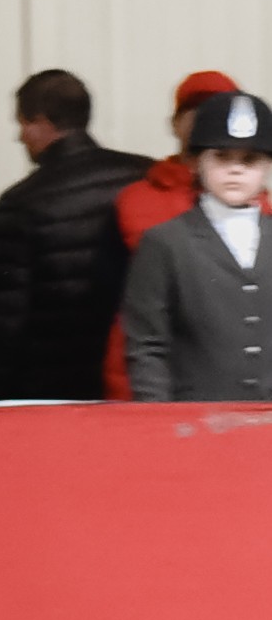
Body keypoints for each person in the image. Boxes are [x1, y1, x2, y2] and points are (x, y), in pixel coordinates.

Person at [0, 69, 151, 399]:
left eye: (21, 123)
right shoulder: (145, 176)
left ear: (41, 122)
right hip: (136, 376)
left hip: (54, 386)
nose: (18, 136)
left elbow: (4, 322)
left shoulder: (21, 203)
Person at [106, 70, 249, 398]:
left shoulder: (261, 210)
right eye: (193, 109)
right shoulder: (134, 200)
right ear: (174, 122)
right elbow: (107, 295)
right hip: (145, 380)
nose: (203, 118)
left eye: (217, 110)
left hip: (237, 387)